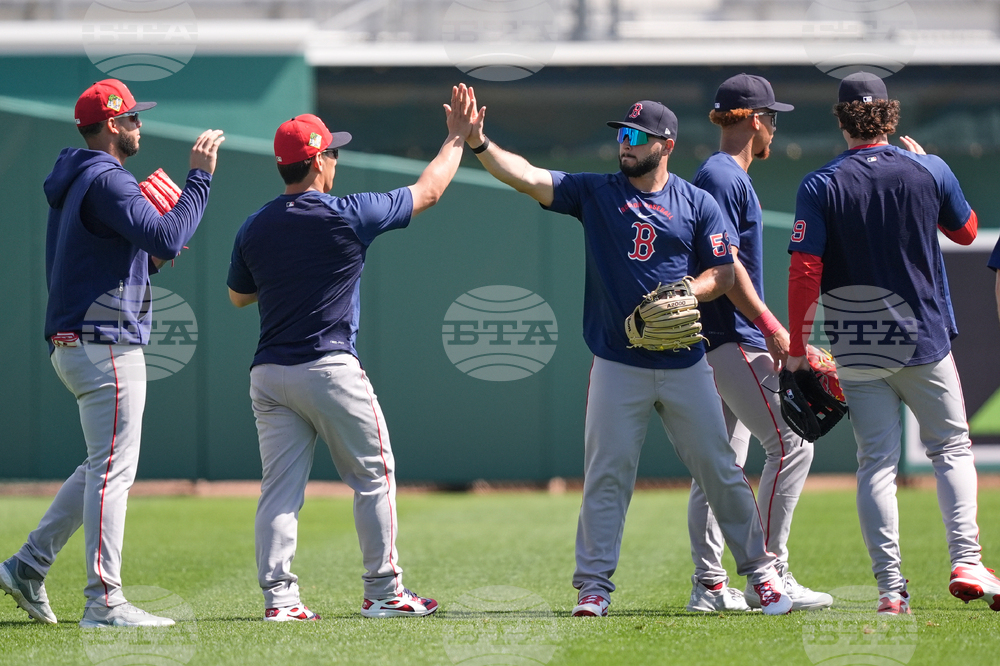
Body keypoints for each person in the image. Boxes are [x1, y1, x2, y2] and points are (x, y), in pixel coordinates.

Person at [461, 92, 793, 616]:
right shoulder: (596, 193)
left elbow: (725, 272)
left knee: (721, 469)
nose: (625, 143)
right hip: (619, 363)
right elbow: (527, 176)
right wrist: (478, 142)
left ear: (666, 144)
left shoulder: (696, 201)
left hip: (686, 363)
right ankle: (593, 587)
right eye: (622, 134)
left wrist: (691, 291)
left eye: (636, 136)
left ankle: (762, 576)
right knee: (608, 474)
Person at [227, 85, 476, 621]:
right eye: (331, 152)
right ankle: (384, 593)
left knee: (280, 491)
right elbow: (428, 192)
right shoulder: (346, 214)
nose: (335, 159)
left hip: (269, 374)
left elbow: (239, 296)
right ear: (317, 160)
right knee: (374, 474)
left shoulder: (254, 225)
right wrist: (456, 137)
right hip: (329, 367)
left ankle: (281, 601)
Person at [0, 79, 224, 627]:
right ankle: (104, 601)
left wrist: (146, 253)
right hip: (105, 343)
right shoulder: (106, 177)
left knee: (100, 466)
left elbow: (141, 253)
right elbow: (169, 238)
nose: (139, 125)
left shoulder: (84, 178)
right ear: (112, 125)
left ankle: (28, 565)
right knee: (113, 472)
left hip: (79, 341)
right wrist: (199, 180)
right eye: (132, 118)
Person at [787, 71, 998, 614]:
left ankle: (890, 589)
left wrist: (795, 347)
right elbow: (968, 233)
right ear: (888, 114)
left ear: (842, 119)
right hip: (923, 337)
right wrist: (933, 171)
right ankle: (967, 561)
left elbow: (805, 272)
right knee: (950, 448)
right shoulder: (928, 169)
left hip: (859, 345)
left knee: (875, 464)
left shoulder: (821, 183)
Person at [686, 74, 831, 612]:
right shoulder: (724, 175)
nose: (773, 126)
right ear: (751, 119)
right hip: (732, 336)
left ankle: (709, 587)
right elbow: (724, 267)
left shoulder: (720, 173)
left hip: (721, 337)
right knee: (793, 444)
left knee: (718, 468)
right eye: (771, 117)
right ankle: (768, 574)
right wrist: (772, 327)